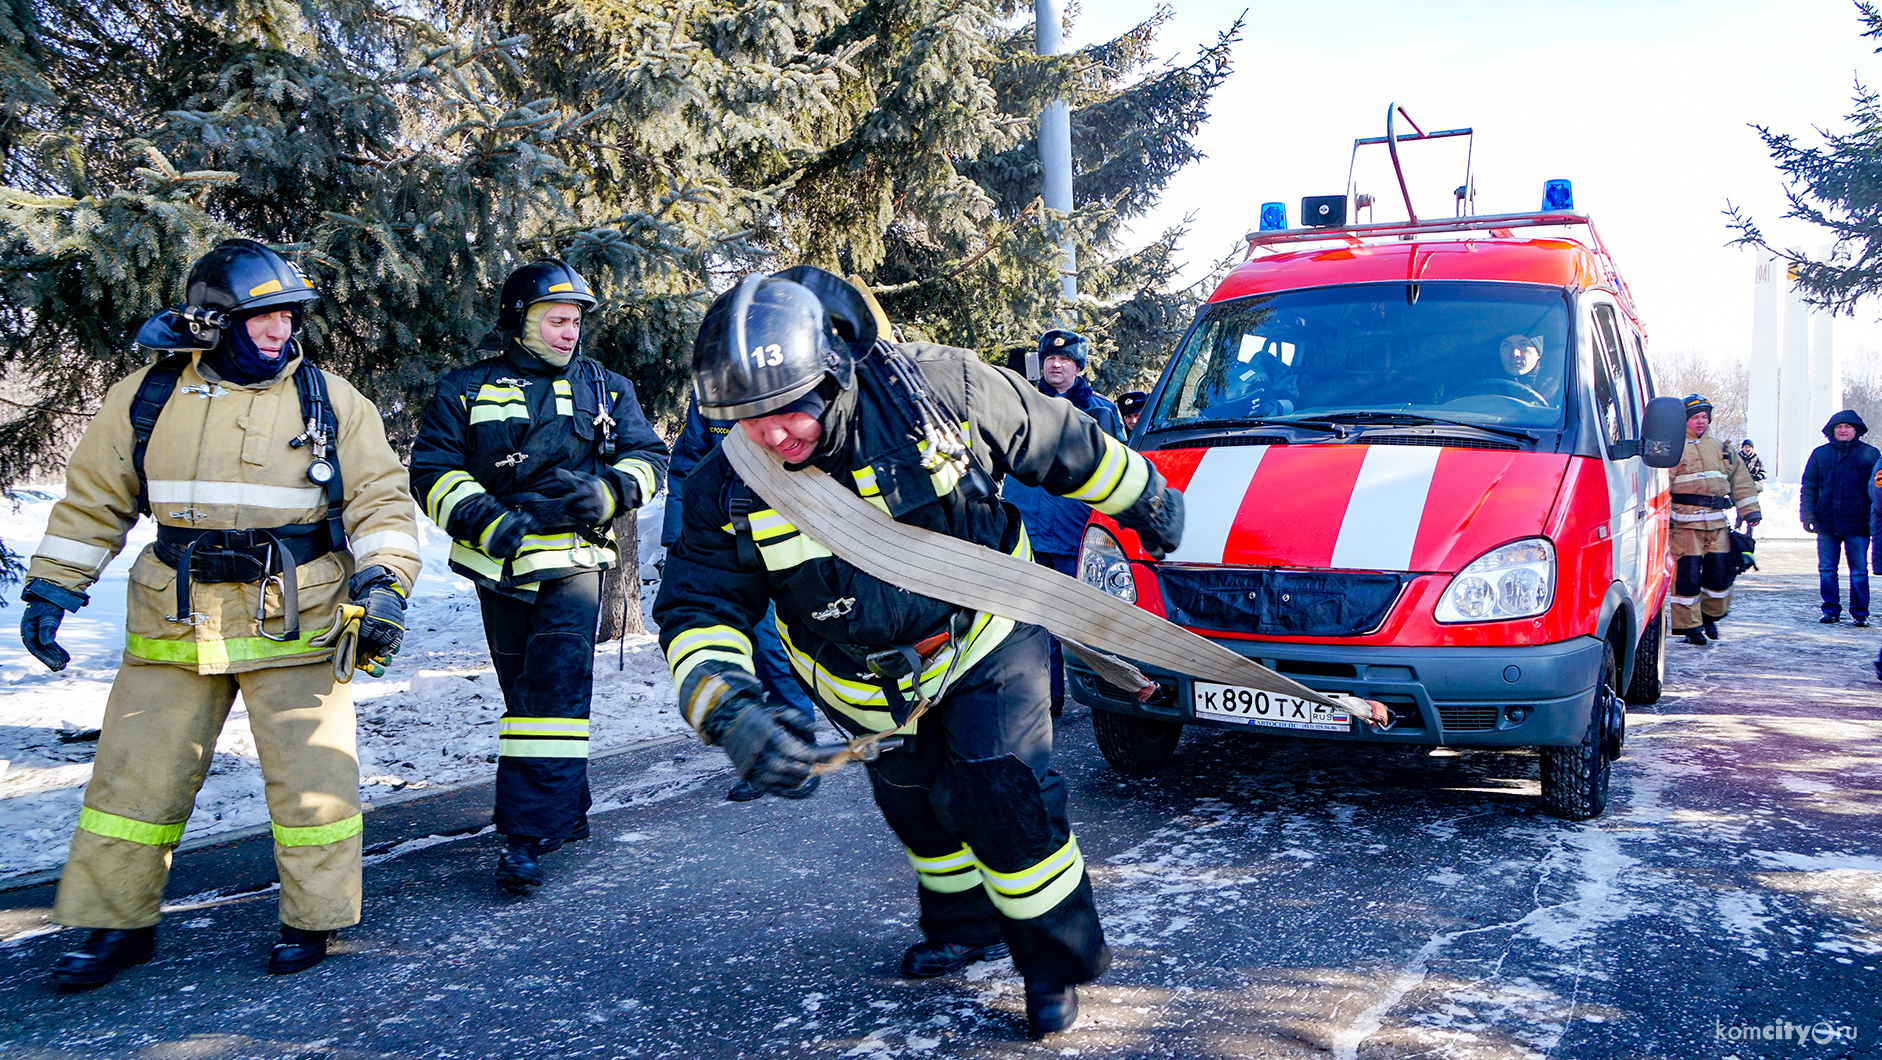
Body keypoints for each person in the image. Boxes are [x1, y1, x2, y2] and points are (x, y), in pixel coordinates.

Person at [653, 268, 1184, 1039]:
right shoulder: (725, 486)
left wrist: (1147, 497)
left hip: (983, 637)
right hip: (858, 683)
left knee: (1000, 795)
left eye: (790, 408)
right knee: (919, 809)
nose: (771, 435)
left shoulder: (939, 394)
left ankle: (1054, 959)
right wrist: (728, 708)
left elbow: (1062, 442)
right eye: (747, 418)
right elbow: (699, 607)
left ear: (833, 376)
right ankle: (963, 925)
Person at [18, 238, 421, 989]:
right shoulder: (147, 397)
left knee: (314, 784)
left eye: (288, 317)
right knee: (134, 784)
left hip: (296, 618)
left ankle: (315, 917)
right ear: (211, 323)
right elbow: (92, 501)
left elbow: (383, 504)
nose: (280, 332)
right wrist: (52, 585)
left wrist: (387, 583)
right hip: (175, 621)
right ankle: (114, 925)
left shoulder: (331, 400)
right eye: (261, 318)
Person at [408, 258, 668, 891]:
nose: (568, 333)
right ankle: (561, 810)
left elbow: (649, 456)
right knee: (524, 695)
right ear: (518, 321)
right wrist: (484, 519)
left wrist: (608, 493)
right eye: (555, 320)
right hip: (497, 568)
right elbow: (432, 469)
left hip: (574, 565)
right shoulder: (465, 389)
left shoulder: (607, 387)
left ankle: (524, 837)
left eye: (575, 321)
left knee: (549, 696)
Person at [661, 395, 822, 801]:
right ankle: (765, 751)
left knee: (774, 651)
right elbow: (685, 466)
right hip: (730, 544)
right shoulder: (709, 400)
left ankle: (797, 751)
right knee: (747, 648)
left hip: (787, 538)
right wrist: (676, 534)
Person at [1001, 329, 1124, 718]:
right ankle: (1045, 702)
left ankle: (1107, 697)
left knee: (1087, 619)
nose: (1056, 364)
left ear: (1078, 365)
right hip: (1028, 531)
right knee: (1034, 622)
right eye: (1050, 359)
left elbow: (1119, 467)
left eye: (1065, 359)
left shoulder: (1101, 411)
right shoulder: (1022, 403)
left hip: (1077, 533)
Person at [1669, 394, 1761, 645]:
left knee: (1720, 575)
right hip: (1685, 525)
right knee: (1686, 578)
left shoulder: (1723, 449)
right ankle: (1690, 627)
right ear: (1684, 421)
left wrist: (1750, 510)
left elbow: (1741, 482)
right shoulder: (1672, 448)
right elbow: (1659, 486)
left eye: (1704, 417)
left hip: (1718, 525)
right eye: (1694, 417)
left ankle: (1710, 615)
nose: (1700, 422)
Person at [1800, 410, 1881, 625]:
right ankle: (1831, 610)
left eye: (1847, 426)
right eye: (1838, 427)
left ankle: (1860, 613)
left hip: (1859, 524)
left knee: (1859, 571)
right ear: (1831, 431)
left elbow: (1877, 491)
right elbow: (1809, 487)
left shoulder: (1871, 455)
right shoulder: (1820, 455)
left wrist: (1873, 519)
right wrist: (1807, 515)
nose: (1843, 430)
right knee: (1827, 569)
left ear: (1856, 430)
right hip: (1826, 523)